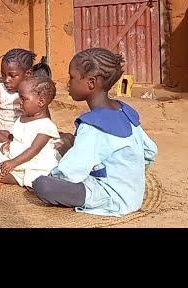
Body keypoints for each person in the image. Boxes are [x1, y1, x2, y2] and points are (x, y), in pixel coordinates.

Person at [32, 48, 158, 216]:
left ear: (91, 83)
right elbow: (150, 151)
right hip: (133, 193)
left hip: (112, 197)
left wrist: (51, 176)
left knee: (43, 185)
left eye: (72, 77)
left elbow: (70, 172)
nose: (68, 83)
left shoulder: (93, 126)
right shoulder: (125, 110)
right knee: (69, 139)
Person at [0, 75, 60, 188]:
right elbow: (17, 137)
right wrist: (8, 144)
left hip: (34, 158)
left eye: (23, 98)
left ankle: (15, 178)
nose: (19, 102)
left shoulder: (46, 125)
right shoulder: (22, 118)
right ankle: (10, 172)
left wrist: (13, 162)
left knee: (39, 174)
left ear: (41, 101)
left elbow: (34, 149)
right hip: (16, 153)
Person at [0, 49, 36, 148]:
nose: (6, 80)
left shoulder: (34, 94)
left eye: (12, 76)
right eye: (3, 75)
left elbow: (43, 121)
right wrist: (7, 141)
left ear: (28, 74)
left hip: (24, 136)